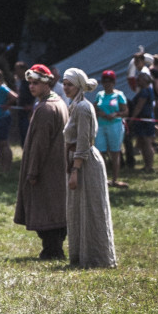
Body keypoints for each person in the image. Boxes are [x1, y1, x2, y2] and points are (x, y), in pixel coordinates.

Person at [62, 68, 117, 268]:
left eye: (70, 84)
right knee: (78, 209)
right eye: (64, 83)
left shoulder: (84, 108)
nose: (66, 87)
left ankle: (96, 257)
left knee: (91, 209)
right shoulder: (74, 106)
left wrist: (75, 170)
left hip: (85, 163)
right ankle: (80, 256)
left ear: (79, 86)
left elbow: (84, 142)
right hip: (76, 160)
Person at [14, 64, 69, 259]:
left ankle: (52, 249)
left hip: (47, 168)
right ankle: (53, 248)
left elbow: (40, 144)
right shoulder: (58, 102)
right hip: (56, 166)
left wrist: (33, 171)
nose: (31, 86)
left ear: (46, 83)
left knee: (46, 208)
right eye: (29, 83)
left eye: (36, 83)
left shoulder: (46, 108)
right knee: (54, 207)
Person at [93, 70, 128, 188]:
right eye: (105, 81)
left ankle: (115, 179)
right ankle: (103, 178)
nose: (107, 84)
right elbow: (95, 107)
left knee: (115, 152)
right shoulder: (100, 95)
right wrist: (99, 112)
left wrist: (115, 114)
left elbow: (125, 111)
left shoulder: (119, 95)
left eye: (109, 81)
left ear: (113, 82)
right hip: (101, 125)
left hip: (115, 125)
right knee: (100, 151)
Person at [128, 72, 155, 173]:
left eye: (139, 79)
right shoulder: (147, 90)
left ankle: (149, 166)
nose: (137, 81)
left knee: (147, 142)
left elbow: (139, 106)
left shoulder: (145, 91)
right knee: (143, 143)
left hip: (145, 119)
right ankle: (147, 165)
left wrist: (132, 118)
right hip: (143, 120)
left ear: (145, 80)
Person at [0, 69, 17, 173]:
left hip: (3, 118)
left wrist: (7, 105)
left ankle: (7, 167)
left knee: (3, 143)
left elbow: (14, 96)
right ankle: (2, 166)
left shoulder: (2, 87)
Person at [13, 61, 35, 145]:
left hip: (29, 114)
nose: (16, 72)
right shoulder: (21, 82)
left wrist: (32, 106)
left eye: (17, 69)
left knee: (27, 137)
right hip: (22, 113)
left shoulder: (29, 82)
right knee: (23, 137)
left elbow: (35, 95)